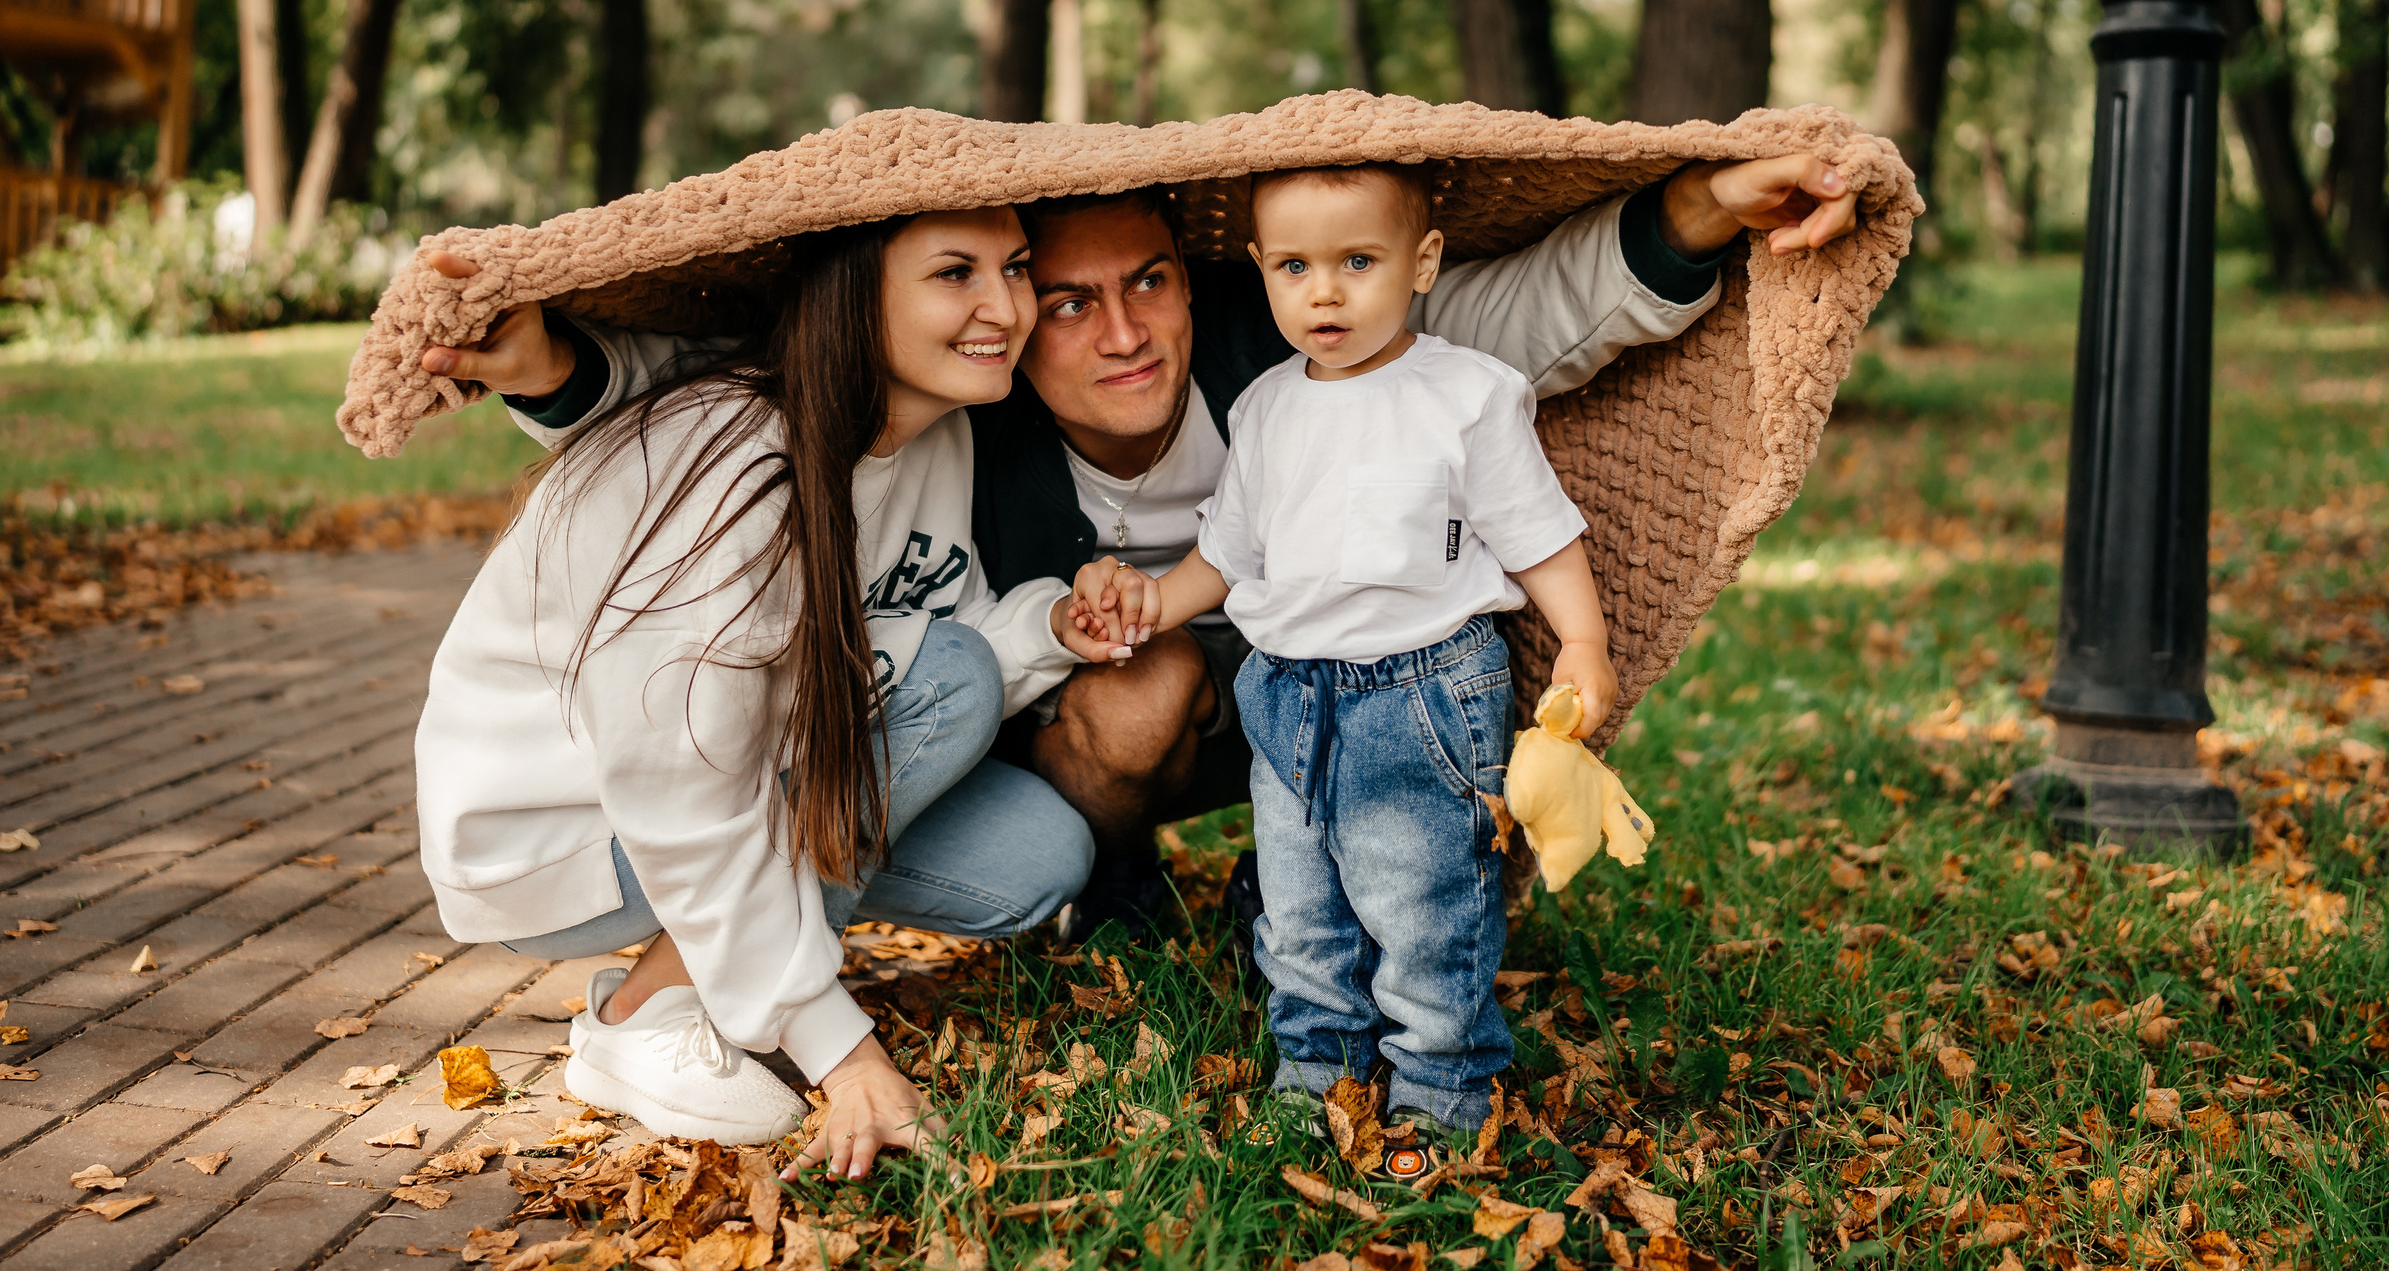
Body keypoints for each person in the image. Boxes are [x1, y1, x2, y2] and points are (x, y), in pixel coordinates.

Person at [419, 154, 1859, 935]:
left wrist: (1706, 206)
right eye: (1067, 300)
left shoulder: (1285, 335)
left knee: (1447, 649)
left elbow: (1530, 313)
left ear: (1193, 275)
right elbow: (742, 390)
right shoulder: (962, 412)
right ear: (1002, 312)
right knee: (1137, 685)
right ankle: (1116, 891)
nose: (1122, 332)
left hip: (1345, 665)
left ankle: (1389, 896)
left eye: (1151, 282)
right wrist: (543, 356)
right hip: (1102, 701)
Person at [413, 209, 1123, 1176]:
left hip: (759, 768)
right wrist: (845, 1053)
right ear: (855, 293)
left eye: (1016, 268)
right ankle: (641, 1014)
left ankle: (742, 956)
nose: (1005, 307)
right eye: (955, 272)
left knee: (1037, 856)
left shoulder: (937, 432)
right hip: (565, 827)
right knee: (952, 675)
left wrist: (1050, 629)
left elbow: (932, 618)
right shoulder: (739, 459)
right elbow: (679, 789)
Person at [1069, 164, 1605, 1142]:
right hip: (1285, 692)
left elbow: (1537, 535)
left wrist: (1582, 639)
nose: (1324, 291)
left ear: (1422, 263)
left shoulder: (1465, 395)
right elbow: (1230, 555)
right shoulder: (1266, 406)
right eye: (1293, 267)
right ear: (1263, 273)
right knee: (1300, 903)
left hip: (1424, 688)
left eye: (1357, 261)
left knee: (1424, 906)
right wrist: (1152, 603)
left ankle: (1442, 1090)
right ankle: (1316, 1071)